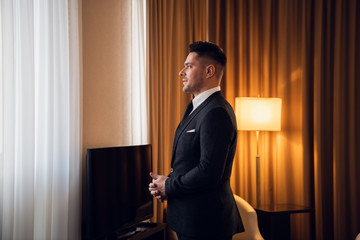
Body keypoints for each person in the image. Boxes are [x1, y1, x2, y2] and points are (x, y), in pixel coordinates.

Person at [149, 41, 244, 240]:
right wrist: (166, 185)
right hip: (192, 220)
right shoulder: (199, 107)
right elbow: (190, 161)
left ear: (209, 71)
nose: (181, 72)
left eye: (189, 66)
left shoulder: (216, 111)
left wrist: (170, 186)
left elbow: (209, 171)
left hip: (206, 224)